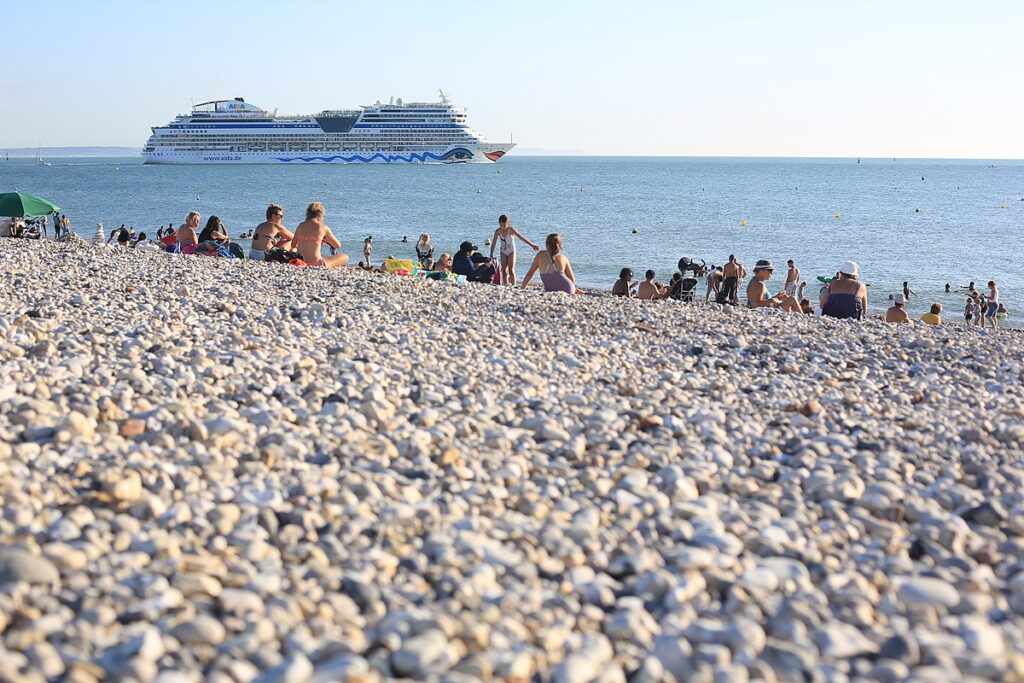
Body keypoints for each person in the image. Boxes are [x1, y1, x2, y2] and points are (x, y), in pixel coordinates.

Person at [292, 202, 349, 267]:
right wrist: (325, 240)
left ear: (307, 214)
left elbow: (293, 245)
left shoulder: (300, 226)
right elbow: (337, 245)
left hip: (301, 262)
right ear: (320, 215)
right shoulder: (323, 227)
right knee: (345, 257)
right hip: (317, 264)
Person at [489, 214, 539, 286]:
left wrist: (532, 245)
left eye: (504, 225)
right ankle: (505, 285)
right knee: (503, 270)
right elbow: (493, 243)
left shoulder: (511, 230)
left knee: (511, 270)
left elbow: (521, 237)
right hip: (503, 251)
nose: (503, 227)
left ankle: (513, 285)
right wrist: (491, 254)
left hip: (511, 251)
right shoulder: (498, 231)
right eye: (501, 225)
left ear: (507, 223)